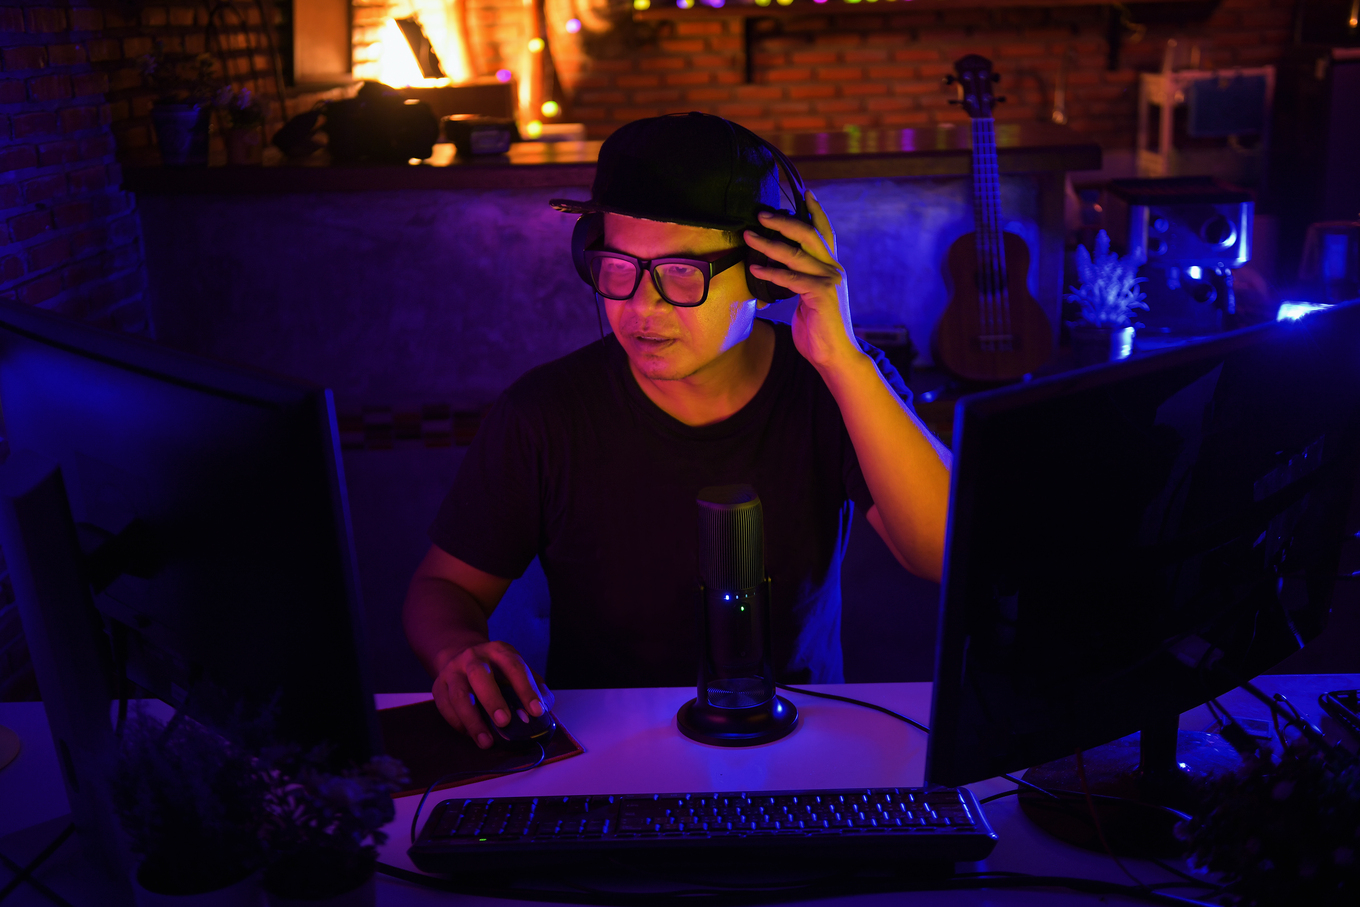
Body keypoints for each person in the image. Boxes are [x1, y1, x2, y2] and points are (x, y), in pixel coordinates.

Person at [403, 113, 952, 748]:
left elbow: (943, 552)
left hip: (800, 740)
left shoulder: (837, 384)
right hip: (603, 748)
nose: (642, 306)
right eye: (618, 267)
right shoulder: (543, 412)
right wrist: (457, 651)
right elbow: (443, 587)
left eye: (682, 273)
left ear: (765, 273)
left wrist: (842, 360)